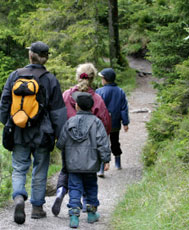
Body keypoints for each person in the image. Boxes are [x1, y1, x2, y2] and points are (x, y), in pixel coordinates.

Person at [0, 41, 67, 225]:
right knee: (40, 169)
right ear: (46, 58)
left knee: (19, 167)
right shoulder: (50, 79)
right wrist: (61, 136)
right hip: (43, 134)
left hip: (19, 131)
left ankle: (19, 196)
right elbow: (58, 112)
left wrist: (9, 123)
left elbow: (4, 105)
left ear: (30, 55)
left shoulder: (15, 75)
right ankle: (37, 207)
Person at [51, 63, 111, 216]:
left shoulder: (66, 95)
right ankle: (88, 205)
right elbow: (105, 123)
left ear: (77, 77)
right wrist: (104, 153)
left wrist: (60, 139)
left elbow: (57, 116)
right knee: (88, 174)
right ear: (92, 79)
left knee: (69, 171)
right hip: (91, 146)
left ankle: (61, 191)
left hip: (69, 144)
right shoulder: (97, 99)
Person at [56, 92, 111, 228]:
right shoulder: (97, 122)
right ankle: (91, 214)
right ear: (92, 107)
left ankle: (74, 216)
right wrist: (106, 159)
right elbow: (103, 143)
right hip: (91, 164)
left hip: (73, 164)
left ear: (77, 107)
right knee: (91, 187)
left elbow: (61, 143)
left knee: (75, 187)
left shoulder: (70, 122)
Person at [96, 68, 129, 170]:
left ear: (105, 79)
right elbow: (124, 108)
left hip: (102, 124)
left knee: (102, 143)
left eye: (102, 78)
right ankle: (118, 163)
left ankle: (101, 167)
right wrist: (125, 122)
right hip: (115, 123)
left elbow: (96, 108)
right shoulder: (120, 91)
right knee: (115, 142)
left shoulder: (99, 91)